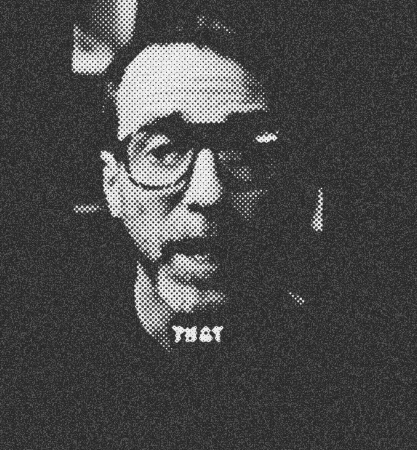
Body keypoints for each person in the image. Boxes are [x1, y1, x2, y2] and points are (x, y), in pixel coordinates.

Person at [67, 13, 327, 447]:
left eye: (245, 153)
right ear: (113, 185)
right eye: (163, 150)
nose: (209, 193)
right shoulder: (42, 366)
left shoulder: (345, 370)